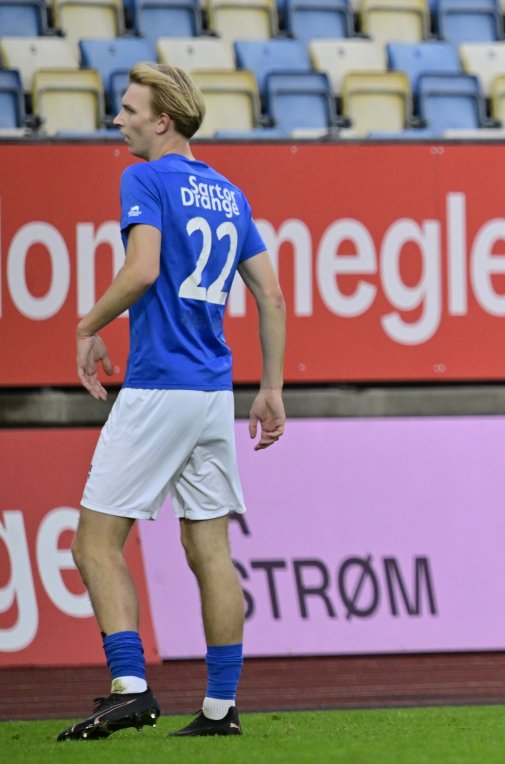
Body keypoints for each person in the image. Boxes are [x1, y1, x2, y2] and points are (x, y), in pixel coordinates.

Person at [57, 62, 286, 741]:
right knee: (209, 548)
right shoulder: (229, 193)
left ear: (163, 121)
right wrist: (271, 388)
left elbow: (142, 270)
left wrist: (86, 326)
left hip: (159, 386)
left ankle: (130, 689)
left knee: (94, 544)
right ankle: (220, 707)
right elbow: (270, 294)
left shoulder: (146, 180)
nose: (118, 119)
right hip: (213, 393)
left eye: (130, 110)